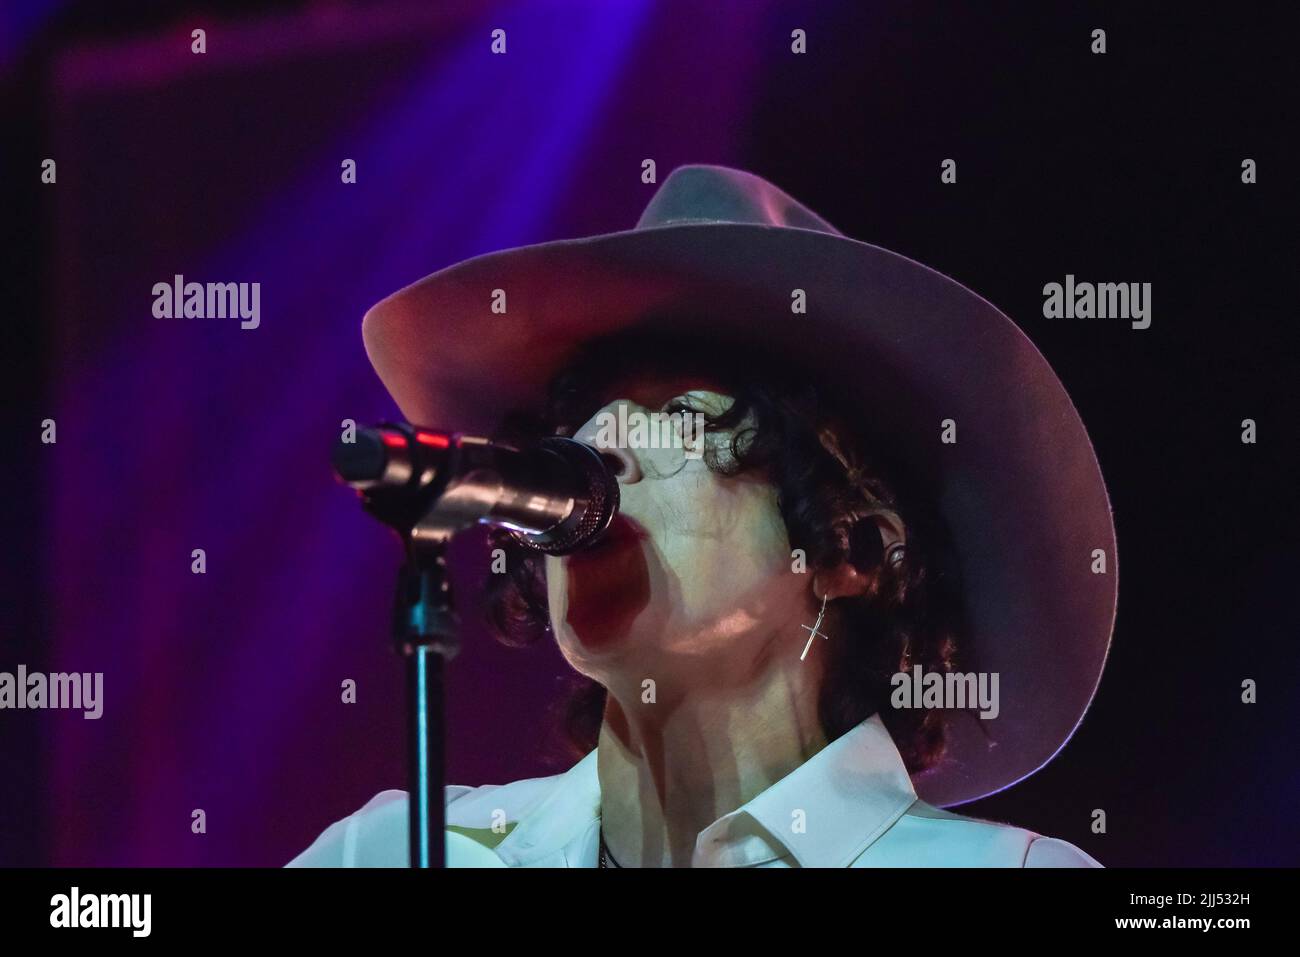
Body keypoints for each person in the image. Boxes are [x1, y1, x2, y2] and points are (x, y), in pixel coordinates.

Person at [289, 165, 1116, 867]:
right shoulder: (397, 849)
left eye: (685, 418)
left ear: (847, 551)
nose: (600, 446)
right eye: (582, 421)